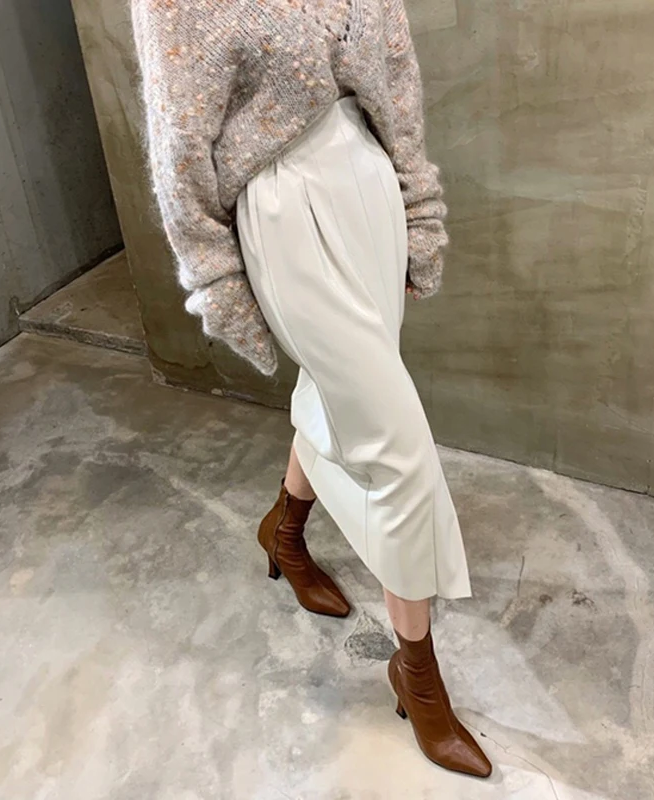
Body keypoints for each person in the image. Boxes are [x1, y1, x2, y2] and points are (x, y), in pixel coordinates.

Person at [132, 0, 491, 778]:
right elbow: (177, 144)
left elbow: (393, 75)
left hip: (369, 189)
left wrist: (416, 209)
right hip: (283, 211)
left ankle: (285, 531)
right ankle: (417, 674)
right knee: (398, 455)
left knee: (341, 398)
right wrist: (217, 281)